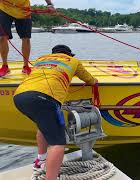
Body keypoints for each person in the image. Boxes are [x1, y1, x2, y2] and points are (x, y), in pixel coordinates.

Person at [13, 45, 97, 180]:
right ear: (69, 54)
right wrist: (94, 82)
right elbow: (88, 79)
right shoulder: (72, 61)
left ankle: (41, 161)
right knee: (58, 143)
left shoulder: (41, 59)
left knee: (44, 126)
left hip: (19, 97)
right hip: (44, 98)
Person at [0, 0, 55, 77]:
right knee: (2, 37)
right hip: (4, 9)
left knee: (26, 38)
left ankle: (26, 66)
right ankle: (5, 66)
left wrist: (49, 4)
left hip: (24, 11)